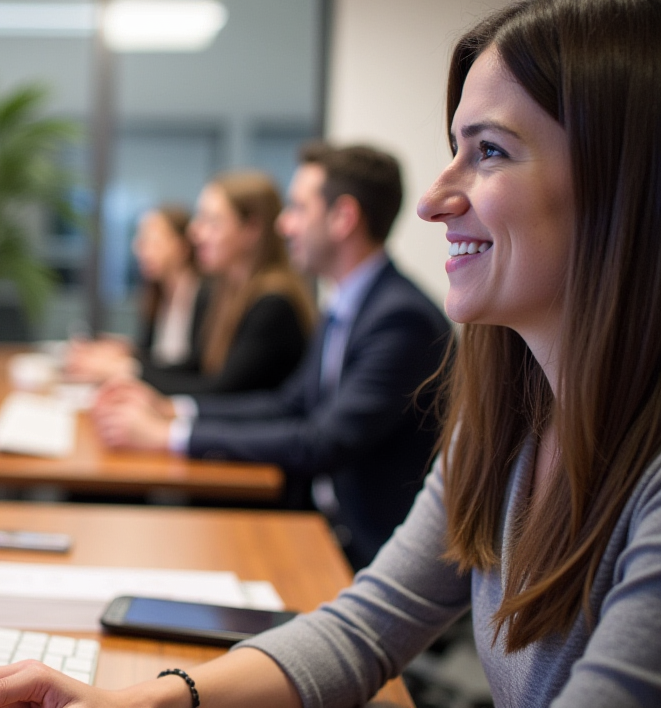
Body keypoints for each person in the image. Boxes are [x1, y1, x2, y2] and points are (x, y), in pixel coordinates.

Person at [0, 0, 661, 708]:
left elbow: (319, 434)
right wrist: (136, 701)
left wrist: (172, 425)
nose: (434, 200)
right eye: (454, 150)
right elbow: (366, 626)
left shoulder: (394, 322)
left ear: (626, 183)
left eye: (491, 151)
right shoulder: (503, 422)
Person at [93, 143, 450, 568]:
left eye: (298, 208)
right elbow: (288, 404)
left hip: (368, 554)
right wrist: (175, 413)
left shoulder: (401, 320)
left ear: (344, 218)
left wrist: (168, 437)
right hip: (320, 528)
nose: (284, 224)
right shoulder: (348, 305)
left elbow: (323, 441)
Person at [68, 173, 313, 396]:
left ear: (251, 229)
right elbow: (197, 367)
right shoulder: (232, 293)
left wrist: (129, 372)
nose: (196, 232)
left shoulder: (273, 303)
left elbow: (222, 390)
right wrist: (128, 363)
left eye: (212, 221)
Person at [66, 206, 209, 383]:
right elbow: (158, 356)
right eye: (140, 240)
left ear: (183, 247)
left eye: (151, 241)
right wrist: (124, 350)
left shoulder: (204, 296)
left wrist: (125, 366)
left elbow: (192, 369)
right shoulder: (159, 293)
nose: (139, 249)